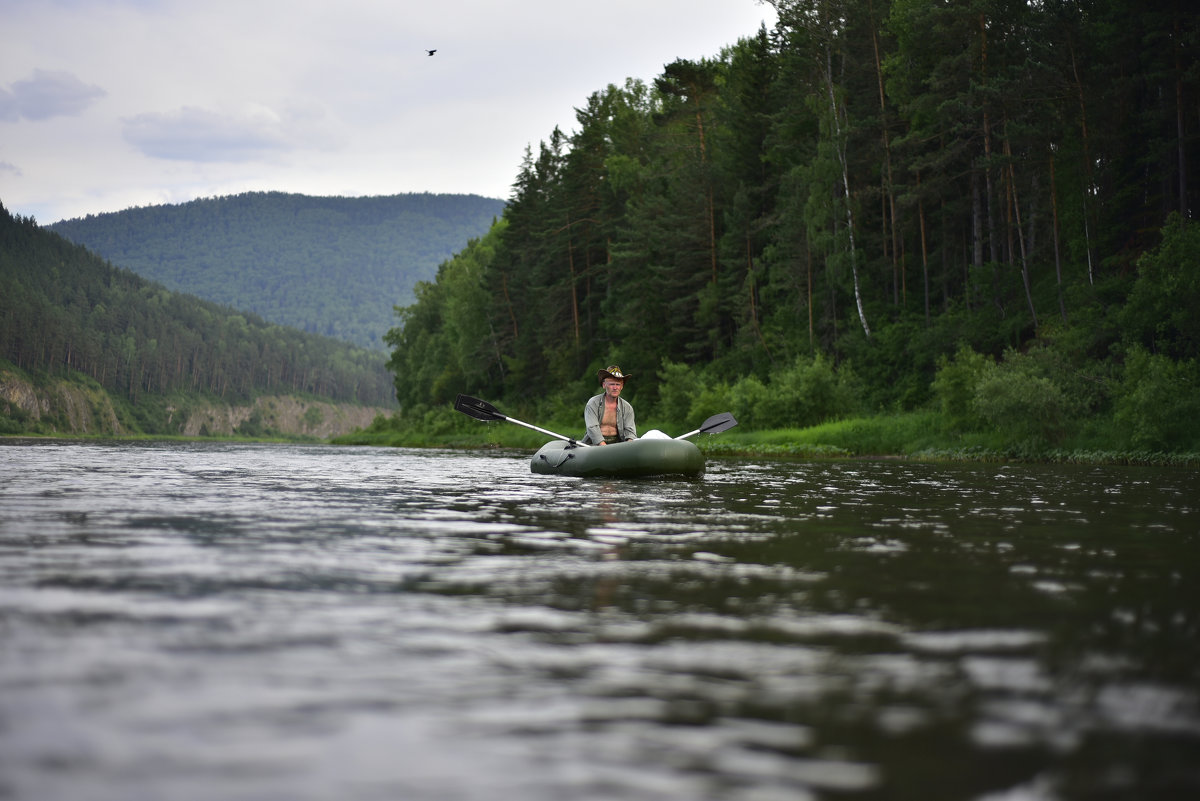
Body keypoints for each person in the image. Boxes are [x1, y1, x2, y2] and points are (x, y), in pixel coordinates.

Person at [583, 365, 637, 445]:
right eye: (612, 384)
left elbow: (630, 432)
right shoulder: (593, 403)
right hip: (594, 445)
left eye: (618, 384)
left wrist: (629, 445)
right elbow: (592, 427)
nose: (615, 388)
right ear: (604, 385)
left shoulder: (627, 407)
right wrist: (603, 446)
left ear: (621, 386)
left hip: (617, 444)